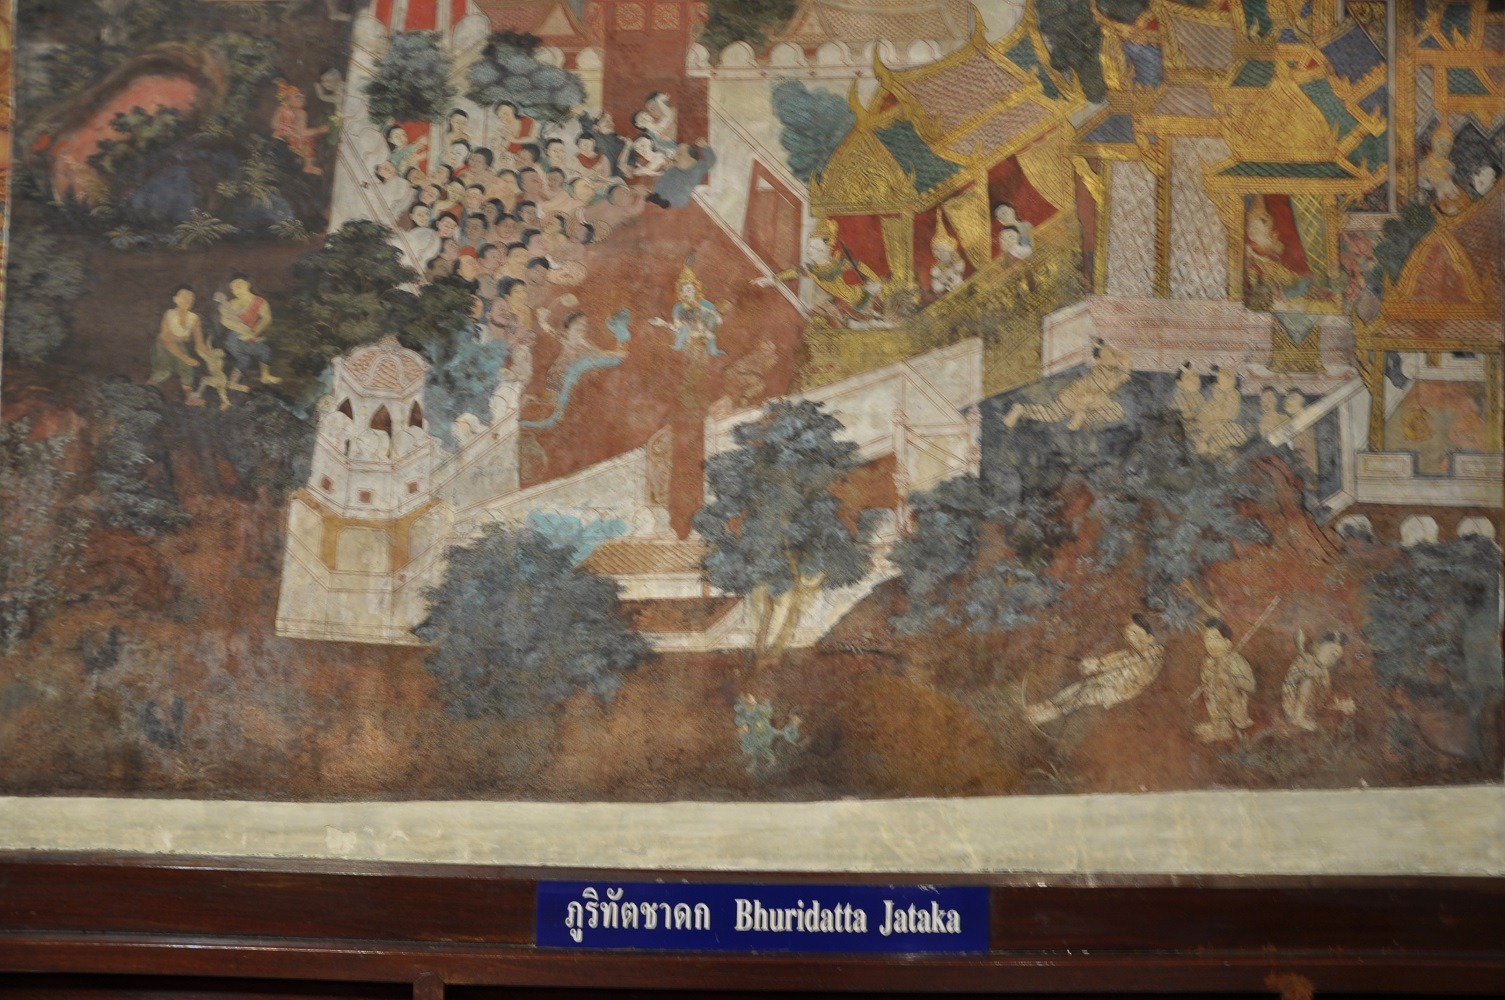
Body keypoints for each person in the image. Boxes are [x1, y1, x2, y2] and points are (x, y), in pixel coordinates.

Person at [1024, 614, 1165, 724]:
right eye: (1129, 633)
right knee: (1074, 689)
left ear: (1148, 637)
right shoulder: (1135, 651)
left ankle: (1043, 716)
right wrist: (1096, 663)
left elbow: (1124, 666)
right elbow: (1114, 658)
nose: (1129, 638)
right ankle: (1042, 707)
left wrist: (1098, 667)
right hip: (1109, 680)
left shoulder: (1151, 657)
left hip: (1118, 689)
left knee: (1082, 695)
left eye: (1134, 634)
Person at [753, 224, 884, 325]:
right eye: (809, 246)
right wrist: (774, 279)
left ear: (825, 249)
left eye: (814, 247)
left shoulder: (839, 263)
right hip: (846, 305)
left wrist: (876, 281)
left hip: (864, 296)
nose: (809, 250)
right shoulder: (813, 271)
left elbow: (860, 266)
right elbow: (795, 272)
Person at [1002, 340, 1131, 431]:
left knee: (1052, 414)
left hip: (1081, 396)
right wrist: (1126, 368)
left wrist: (1123, 364)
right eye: (1111, 354)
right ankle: (1078, 418)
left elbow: (1117, 376)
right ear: (1098, 361)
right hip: (1079, 396)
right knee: (1114, 410)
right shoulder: (1102, 371)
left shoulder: (1111, 370)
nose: (1115, 356)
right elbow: (1110, 386)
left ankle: (1021, 409)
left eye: (1114, 353)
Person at [1196, 618, 1256, 743]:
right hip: (1215, 713)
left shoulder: (1236, 660)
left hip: (1235, 712)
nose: (1211, 644)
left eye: (1216, 639)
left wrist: (1233, 676)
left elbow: (1251, 686)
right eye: (1208, 639)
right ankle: (1218, 727)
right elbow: (1207, 688)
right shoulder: (1207, 662)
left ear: (1227, 643)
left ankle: (1228, 729)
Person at [149, 284, 211, 406]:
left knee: (187, 369)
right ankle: (147, 388)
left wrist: (210, 358)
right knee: (164, 371)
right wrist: (185, 357)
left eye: (191, 297)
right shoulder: (169, 314)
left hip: (178, 345)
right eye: (184, 296)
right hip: (162, 346)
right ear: (175, 299)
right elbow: (166, 339)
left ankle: (189, 397)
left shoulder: (194, 318)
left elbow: (200, 343)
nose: (188, 300)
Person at [1281, 630, 1352, 731]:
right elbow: (1295, 676)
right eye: (1331, 650)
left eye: (1337, 655)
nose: (1334, 656)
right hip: (1292, 704)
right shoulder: (1306, 659)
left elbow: (1323, 697)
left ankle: (1304, 717)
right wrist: (1309, 671)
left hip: (1310, 710)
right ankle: (1298, 718)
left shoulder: (1325, 673)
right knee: (1308, 680)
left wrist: (1338, 705)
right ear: (1317, 647)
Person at [215, 274, 280, 385]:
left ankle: (262, 376)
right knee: (256, 354)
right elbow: (224, 320)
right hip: (234, 339)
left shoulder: (259, 302)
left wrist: (254, 333)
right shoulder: (232, 304)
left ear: (248, 284)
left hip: (249, 335)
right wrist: (241, 330)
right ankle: (235, 381)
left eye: (239, 286)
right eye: (233, 289)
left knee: (254, 355)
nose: (236, 291)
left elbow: (266, 319)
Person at [651, 264, 725, 356]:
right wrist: (664, 323)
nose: (686, 294)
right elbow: (678, 328)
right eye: (683, 290)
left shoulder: (706, 304)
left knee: (711, 341)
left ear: (695, 290)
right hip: (688, 340)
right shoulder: (678, 308)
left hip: (705, 337)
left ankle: (713, 351)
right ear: (680, 292)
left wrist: (713, 317)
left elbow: (719, 321)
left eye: (689, 290)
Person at [1187, 366, 1248, 459]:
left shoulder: (1195, 432)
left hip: (1216, 407)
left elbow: (1199, 415)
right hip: (1224, 412)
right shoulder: (1219, 440)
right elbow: (1240, 434)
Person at [271, 80, 329, 175]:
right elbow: (275, 125)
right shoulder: (295, 112)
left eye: (302, 96)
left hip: (288, 139)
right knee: (309, 139)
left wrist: (287, 129)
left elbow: (275, 125)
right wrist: (319, 130)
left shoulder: (293, 111)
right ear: (287, 100)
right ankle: (308, 166)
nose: (302, 97)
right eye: (297, 96)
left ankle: (307, 166)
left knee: (304, 138)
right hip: (285, 140)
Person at [648, 141, 716, 209]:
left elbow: (711, 160)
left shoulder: (698, 167)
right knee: (666, 177)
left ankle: (659, 198)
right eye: (676, 154)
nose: (675, 157)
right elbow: (662, 182)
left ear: (691, 158)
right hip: (662, 196)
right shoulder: (673, 169)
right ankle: (656, 196)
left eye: (679, 154)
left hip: (677, 199)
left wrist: (705, 147)